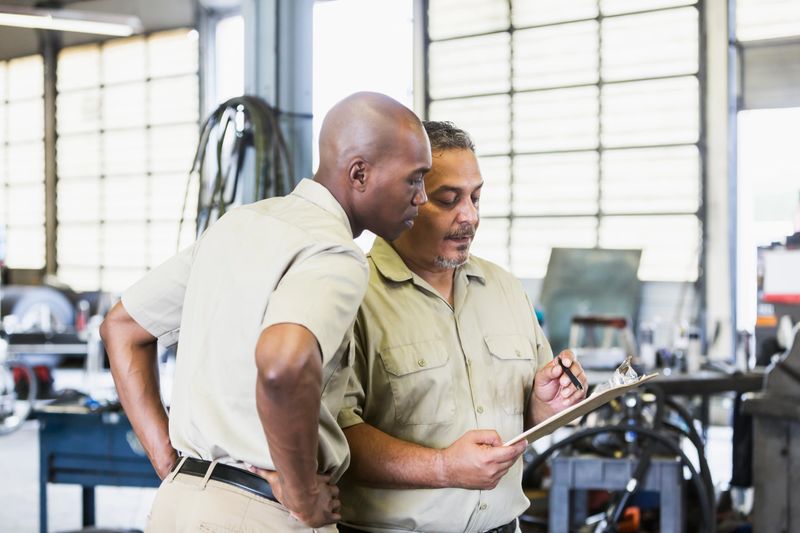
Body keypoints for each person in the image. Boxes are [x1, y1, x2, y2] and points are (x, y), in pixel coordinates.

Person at [99, 92, 431, 532]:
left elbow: (121, 327)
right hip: (262, 513)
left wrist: (169, 461)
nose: (422, 198)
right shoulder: (334, 252)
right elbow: (283, 363)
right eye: (414, 179)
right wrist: (303, 492)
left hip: (178, 506)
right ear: (359, 173)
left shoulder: (236, 226)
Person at [336, 121, 588, 533]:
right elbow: (334, 434)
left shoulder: (504, 288)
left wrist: (548, 402)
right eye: (448, 199)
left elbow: (526, 419)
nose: (469, 216)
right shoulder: (354, 294)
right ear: (407, 198)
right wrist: (441, 468)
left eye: (475, 197)